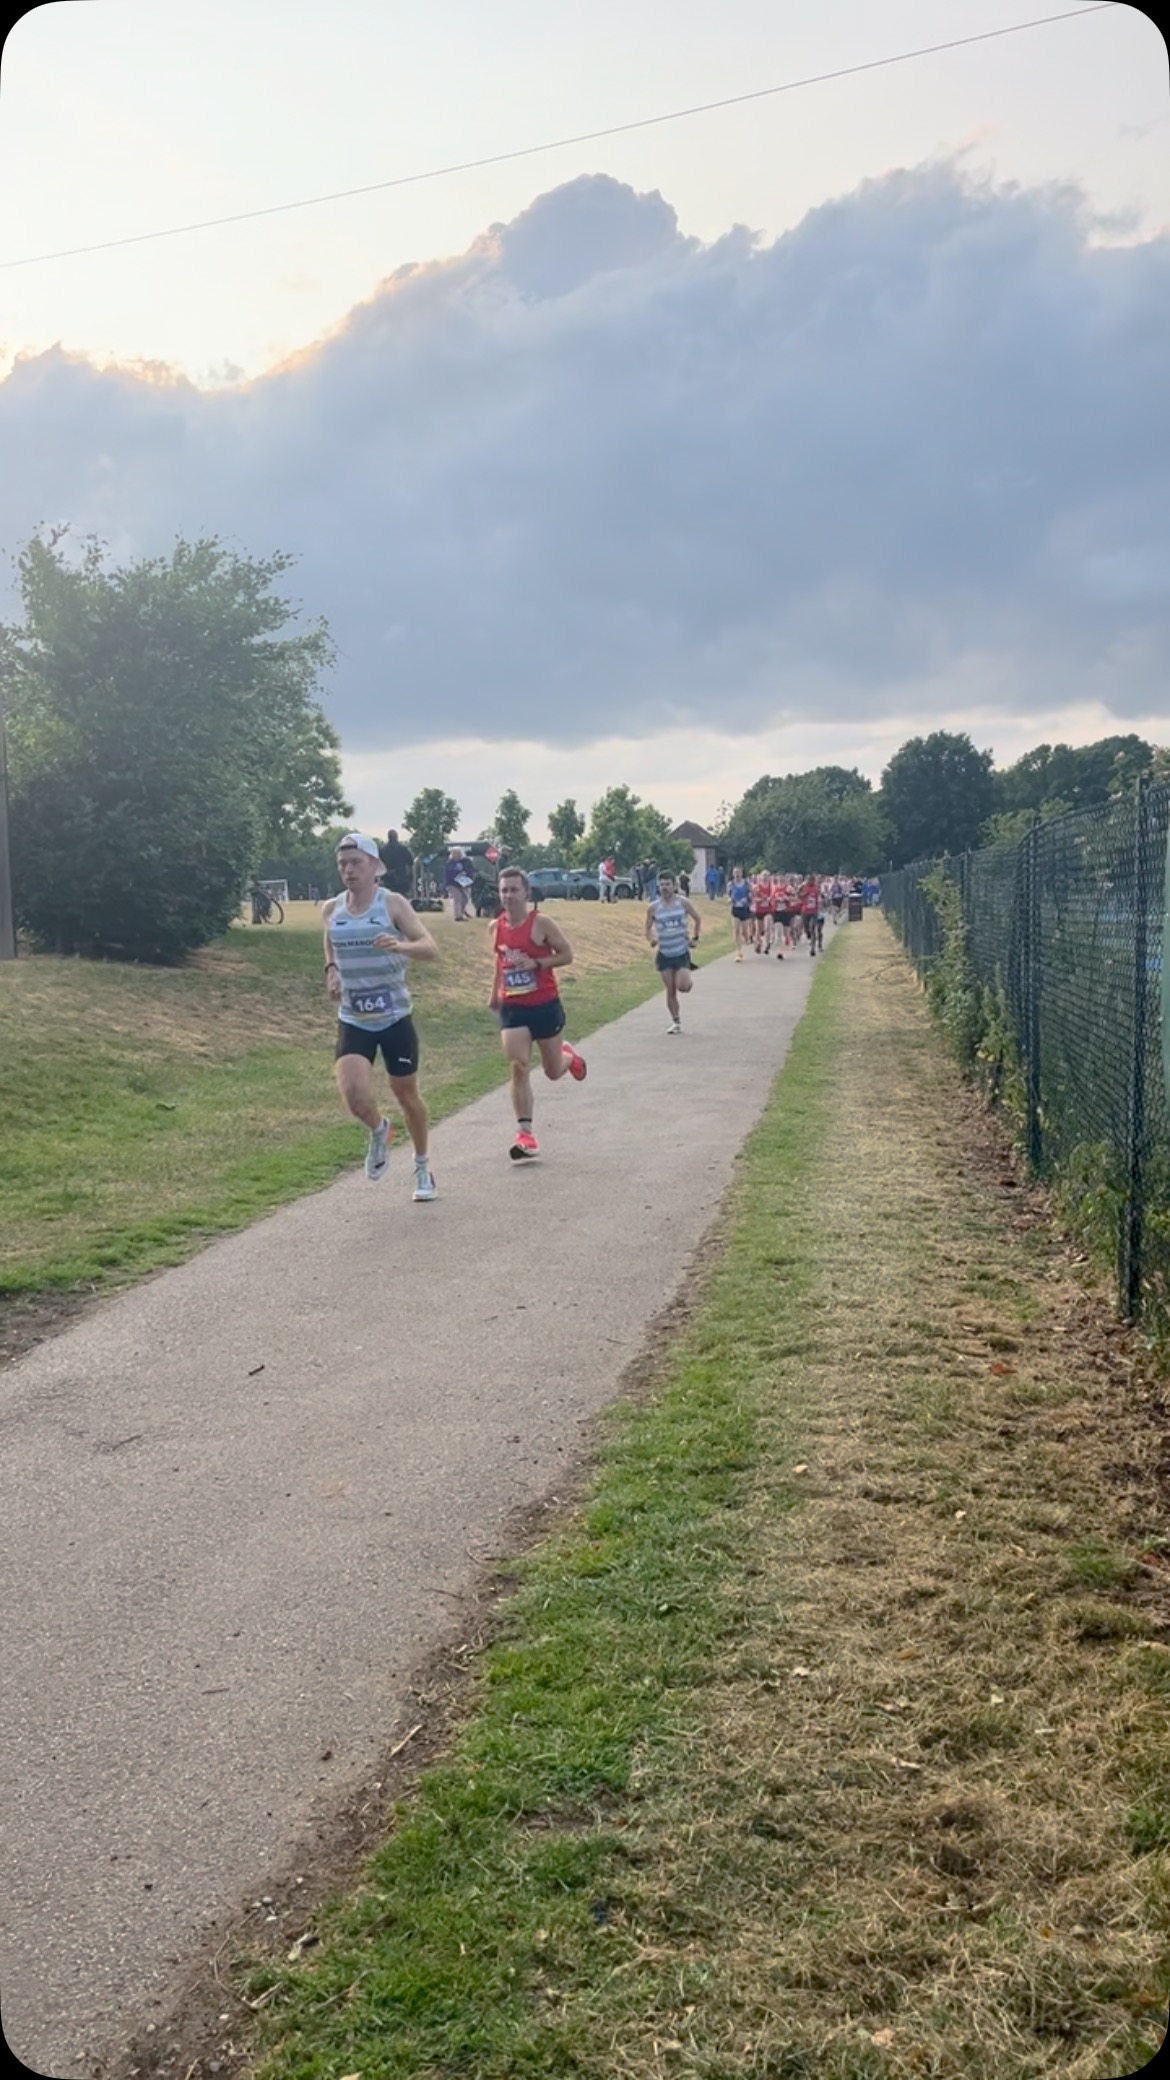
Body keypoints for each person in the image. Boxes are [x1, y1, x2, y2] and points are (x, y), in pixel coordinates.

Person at [323, 832, 438, 1199]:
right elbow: (329, 937)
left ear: (375, 866)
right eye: (342, 864)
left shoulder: (393, 904)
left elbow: (430, 948)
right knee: (354, 1095)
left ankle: (422, 1169)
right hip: (354, 1017)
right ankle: (378, 1129)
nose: (348, 870)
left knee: (406, 1094)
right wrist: (331, 968)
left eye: (356, 862)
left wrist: (400, 945)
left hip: (394, 1018)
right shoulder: (333, 908)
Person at [491, 866, 587, 1160]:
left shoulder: (541, 923)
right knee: (518, 1065)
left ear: (526, 893)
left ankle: (568, 1056)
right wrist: (494, 993)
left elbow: (567, 955)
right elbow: (500, 961)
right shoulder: (495, 926)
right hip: (514, 1006)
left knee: (552, 1071)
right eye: (504, 890)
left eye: (514, 889)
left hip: (544, 1004)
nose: (508, 895)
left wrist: (537, 964)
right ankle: (526, 1133)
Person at [647, 870, 702, 1034]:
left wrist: (695, 938)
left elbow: (697, 918)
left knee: (683, 986)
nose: (664, 888)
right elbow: (647, 929)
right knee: (670, 989)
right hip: (664, 953)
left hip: (681, 951)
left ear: (674, 885)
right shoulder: (654, 907)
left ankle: (688, 981)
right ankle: (676, 1022)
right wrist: (652, 939)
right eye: (662, 884)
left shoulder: (683, 903)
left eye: (668, 884)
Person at [379, 827, 415, 897]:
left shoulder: (383, 850)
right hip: (401, 879)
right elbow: (410, 862)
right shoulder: (403, 849)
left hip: (388, 880)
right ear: (397, 837)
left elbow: (379, 864)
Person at [728, 865, 753, 959]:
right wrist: (730, 900)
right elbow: (729, 895)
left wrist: (749, 898)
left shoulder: (747, 883)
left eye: (738, 872)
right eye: (735, 873)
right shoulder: (731, 884)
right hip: (735, 909)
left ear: (742, 873)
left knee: (744, 931)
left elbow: (752, 894)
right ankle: (739, 951)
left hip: (745, 909)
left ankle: (747, 939)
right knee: (736, 930)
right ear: (733, 874)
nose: (737, 874)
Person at [445, 848, 474, 921]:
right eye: (454, 853)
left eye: (457, 853)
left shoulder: (466, 861)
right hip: (453, 883)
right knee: (457, 898)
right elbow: (447, 874)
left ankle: (461, 911)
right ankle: (458, 916)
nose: (456, 855)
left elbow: (471, 870)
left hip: (464, 883)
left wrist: (466, 873)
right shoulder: (449, 863)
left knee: (465, 899)